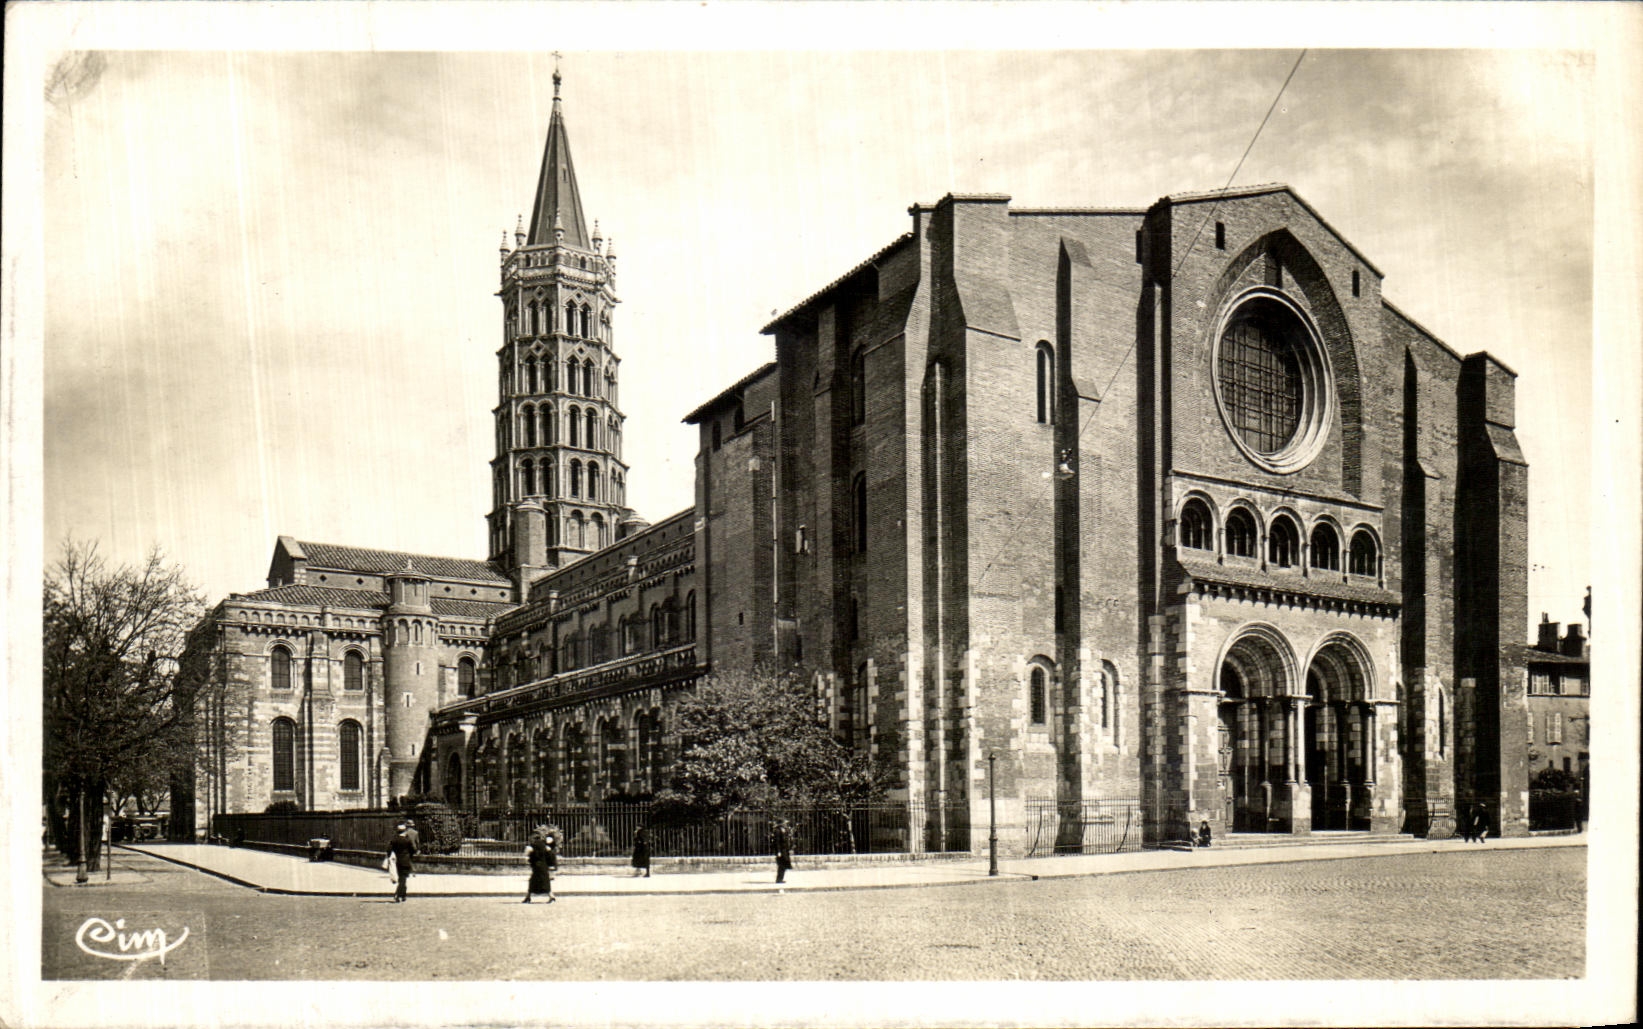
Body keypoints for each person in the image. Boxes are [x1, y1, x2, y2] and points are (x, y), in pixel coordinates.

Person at [523, 827, 557, 903]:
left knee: (534, 882)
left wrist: (529, 861)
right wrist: (551, 865)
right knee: (544, 882)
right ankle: (551, 897)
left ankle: (551, 897)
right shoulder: (545, 846)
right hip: (543, 866)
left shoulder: (531, 847)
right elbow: (550, 856)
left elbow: (527, 856)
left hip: (537, 867)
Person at [387, 821, 416, 903]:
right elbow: (413, 849)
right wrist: (409, 855)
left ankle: (403, 895)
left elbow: (389, 850)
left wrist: (391, 856)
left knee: (402, 878)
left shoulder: (394, 840)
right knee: (403, 879)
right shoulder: (407, 840)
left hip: (397, 861)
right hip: (406, 861)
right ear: (404, 830)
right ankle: (398, 894)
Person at [772, 820, 793, 884]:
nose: (785, 824)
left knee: (783, 864)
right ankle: (779, 879)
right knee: (782, 864)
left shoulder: (784, 830)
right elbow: (777, 842)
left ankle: (780, 878)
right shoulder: (777, 831)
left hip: (785, 850)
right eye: (784, 823)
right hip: (781, 850)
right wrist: (778, 851)